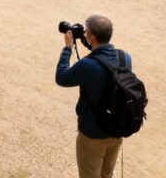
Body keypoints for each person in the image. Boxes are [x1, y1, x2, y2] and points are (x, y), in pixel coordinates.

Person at [55, 14, 132, 178]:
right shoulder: (124, 57)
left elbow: (61, 78)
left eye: (86, 31)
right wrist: (89, 42)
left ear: (92, 36)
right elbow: (105, 61)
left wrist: (68, 48)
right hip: (116, 129)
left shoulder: (87, 65)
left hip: (92, 134)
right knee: (106, 175)